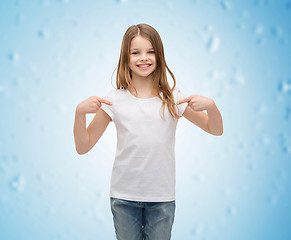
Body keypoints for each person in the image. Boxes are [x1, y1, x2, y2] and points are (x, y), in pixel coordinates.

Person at [73, 23, 223, 240]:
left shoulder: (173, 98)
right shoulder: (113, 100)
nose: (144, 57)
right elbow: (83, 146)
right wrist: (79, 113)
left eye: (150, 51)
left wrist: (211, 106)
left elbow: (214, 129)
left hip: (161, 197)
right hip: (123, 197)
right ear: (126, 57)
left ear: (159, 55)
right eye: (136, 52)